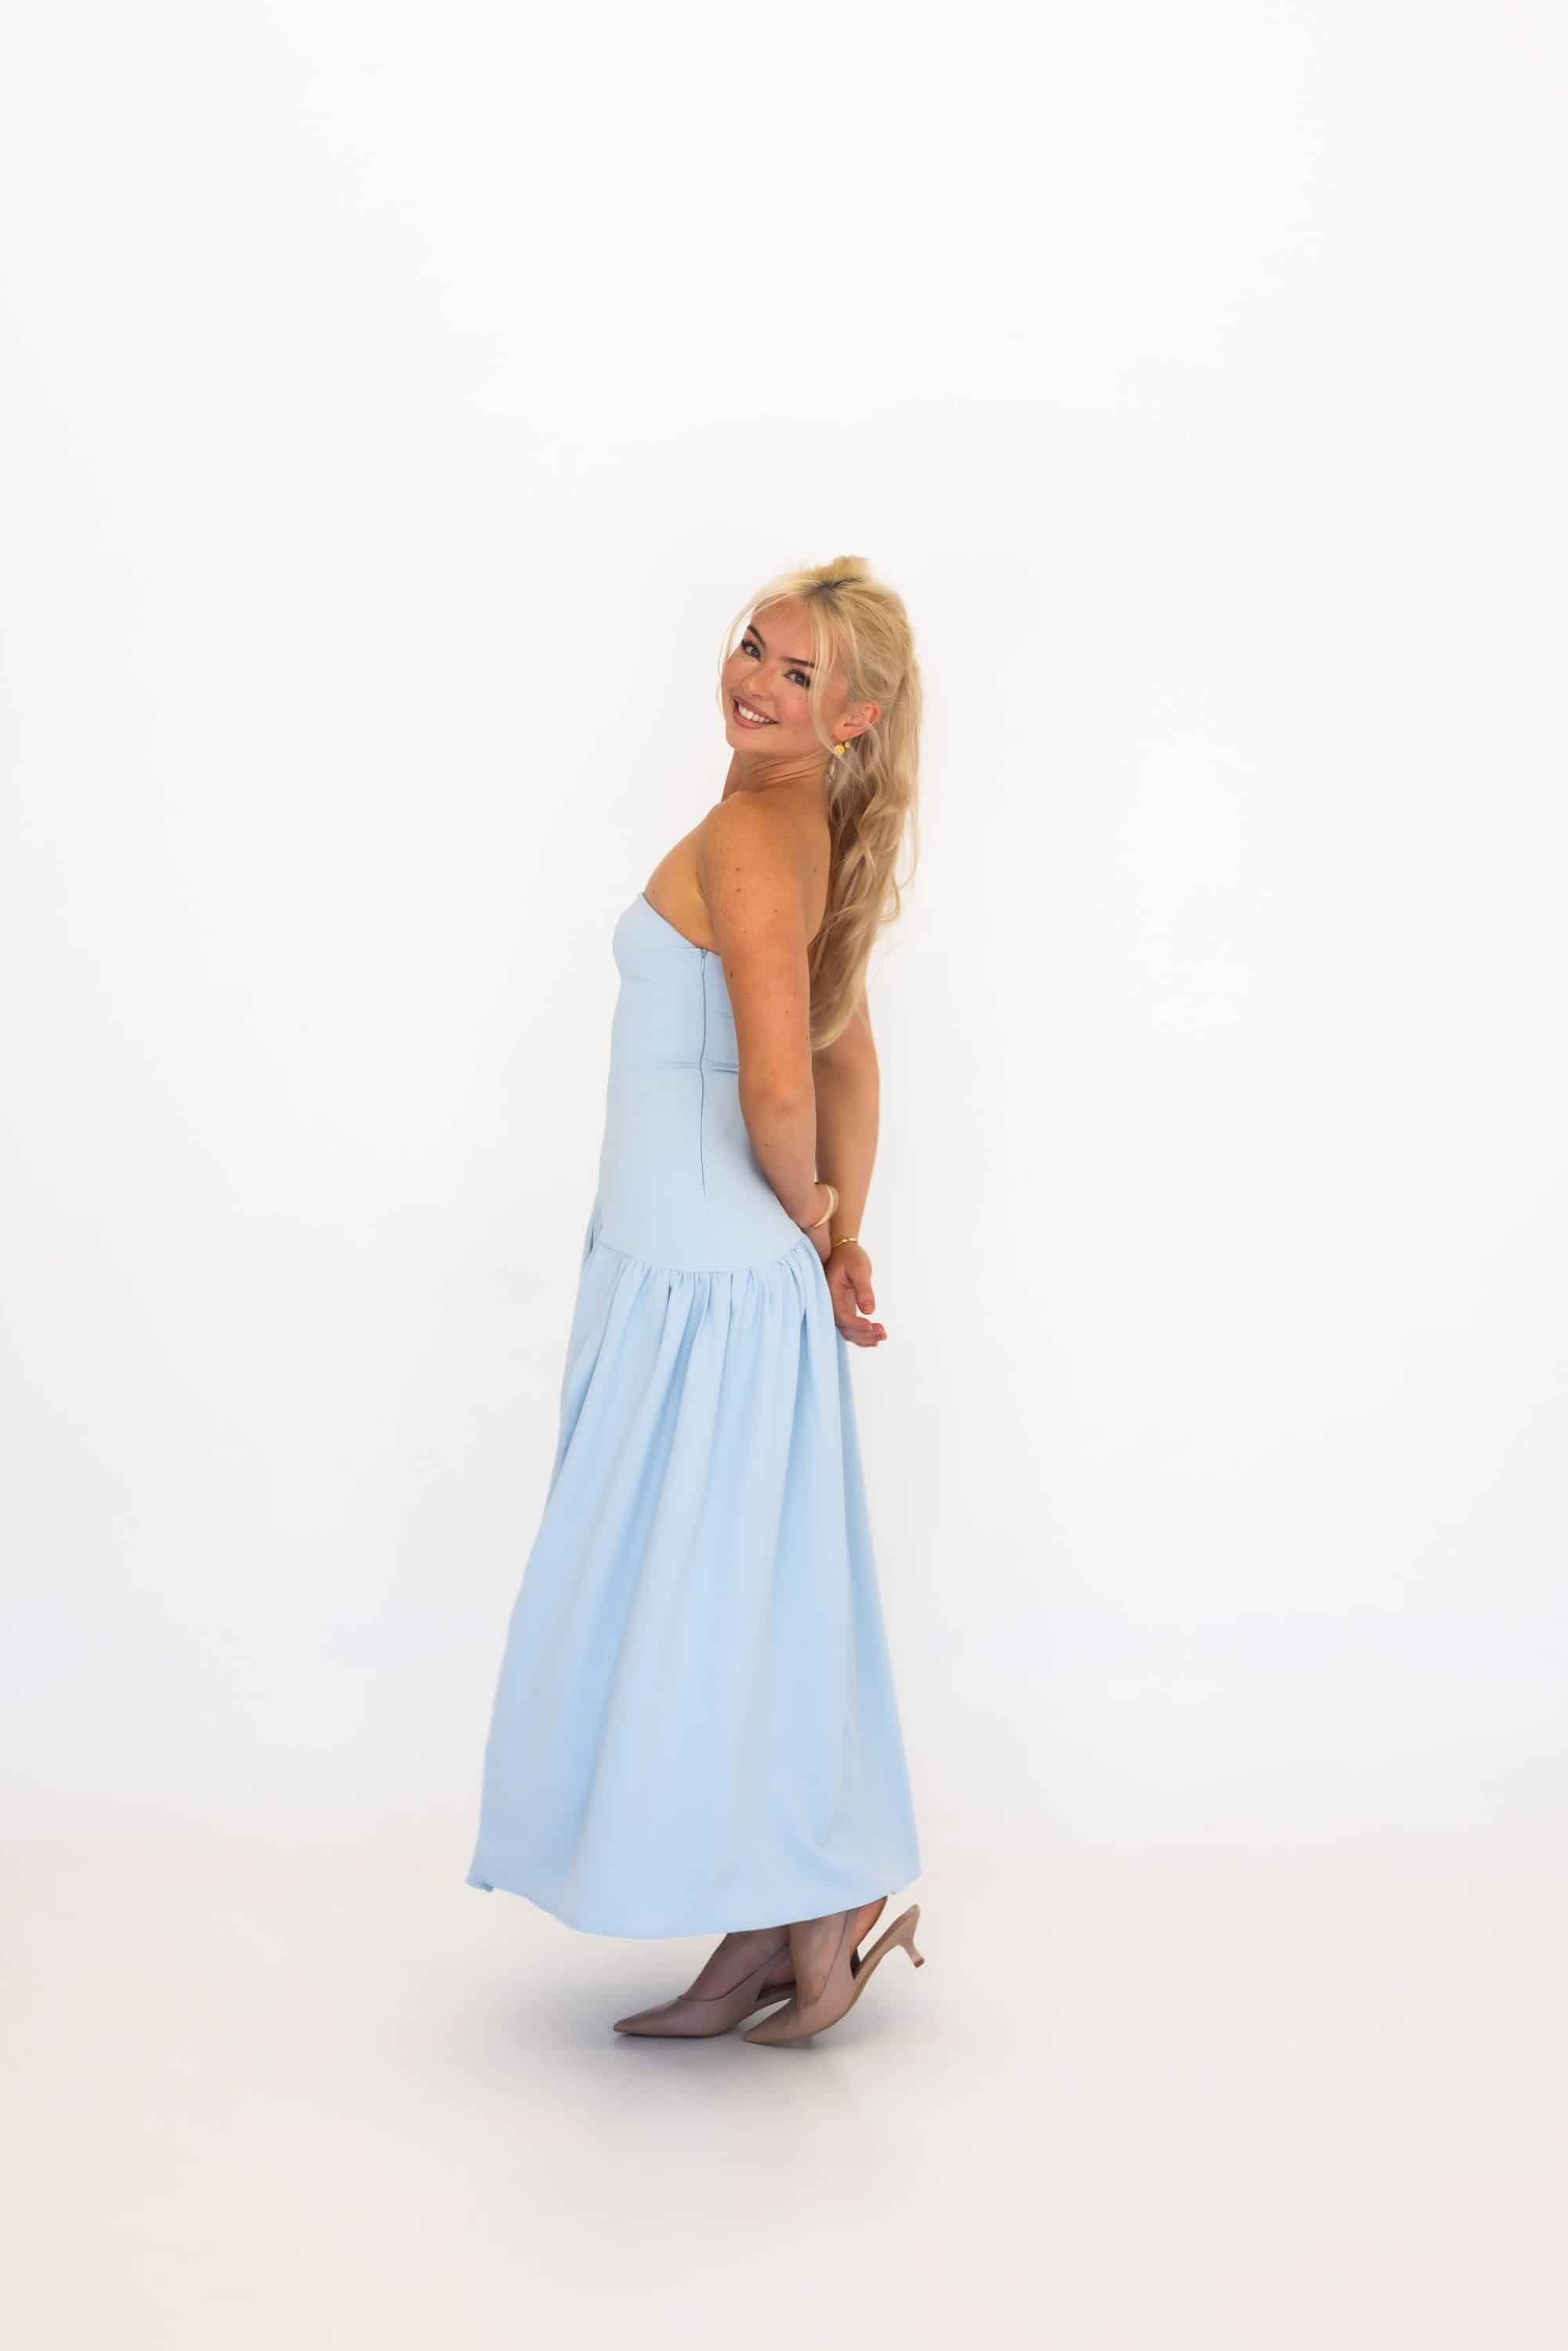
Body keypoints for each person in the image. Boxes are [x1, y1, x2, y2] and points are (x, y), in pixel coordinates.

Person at [465, 554, 927, 2045]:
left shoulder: (751, 832)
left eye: (798, 673)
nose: (756, 683)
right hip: (705, 1263)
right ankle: (789, 1910)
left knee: (696, 1602)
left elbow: (791, 1077)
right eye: (751, 647)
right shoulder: (795, 829)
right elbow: (848, 1050)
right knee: (736, 1597)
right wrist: (837, 1229)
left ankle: (821, 1895)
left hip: (704, 1274)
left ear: (852, 718)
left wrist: (808, 1212)